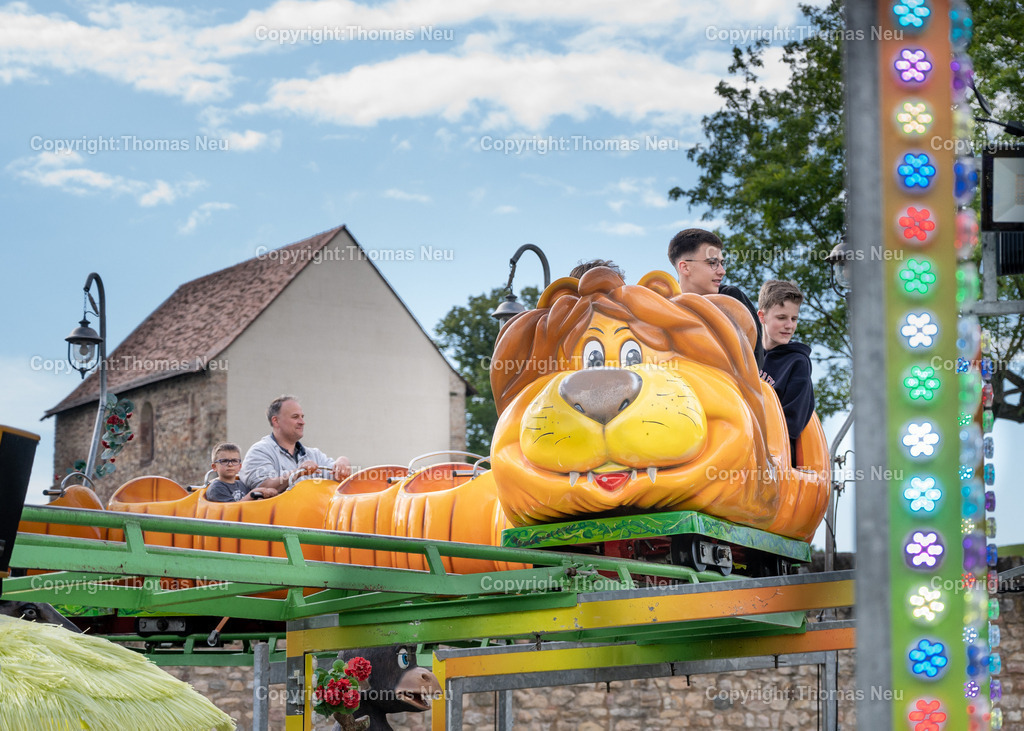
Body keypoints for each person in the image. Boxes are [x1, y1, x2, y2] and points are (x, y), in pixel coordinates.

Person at [668, 228, 764, 367]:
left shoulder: (730, 299)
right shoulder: (664, 309)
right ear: (685, 267)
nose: (722, 271)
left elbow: (753, 362)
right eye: (712, 263)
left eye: (722, 263)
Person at [240, 395, 352, 494]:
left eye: (302, 417)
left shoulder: (314, 455)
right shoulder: (260, 451)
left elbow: (339, 480)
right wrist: (298, 472)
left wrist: (343, 461)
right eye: (295, 417)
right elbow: (263, 487)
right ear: (276, 421)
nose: (302, 422)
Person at [757, 280, 814, 464]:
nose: (789, 325)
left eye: (794, 319)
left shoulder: (798, 362)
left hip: (776, 459)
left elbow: (792, 424)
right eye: (781, 318)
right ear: (762, 317)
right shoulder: (747, 356)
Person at [205, 442, 273, 502]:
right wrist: (252, 494)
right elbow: (232, 509)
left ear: (240, 466)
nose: (230, 464)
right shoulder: (216, 488)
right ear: (214, 467)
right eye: (224, 461)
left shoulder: (242, 484)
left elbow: (250, 503)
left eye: (234, 461)